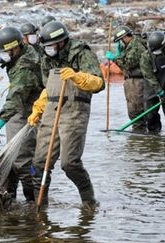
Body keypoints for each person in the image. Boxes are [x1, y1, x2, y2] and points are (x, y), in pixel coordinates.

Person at [28, 21, 104, 207]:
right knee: (39, 164)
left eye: (51, 46)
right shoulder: (47, 58)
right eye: (45, 47)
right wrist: (38, 108)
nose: (48, 50)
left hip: (75, 110)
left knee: (69, 164)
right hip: (51, 111)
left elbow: (99, 83)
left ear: (61, 42)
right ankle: (41, 208)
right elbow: (48, 88)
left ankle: (89, 203)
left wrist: (78, 77)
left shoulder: (81, 53)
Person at [0, 27, 44, 201]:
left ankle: (33, 201)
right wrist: (3, 60)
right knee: (11, 158)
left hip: (29, 112)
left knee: (22, 159)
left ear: (16, 47)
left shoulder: (25, 67)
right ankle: (10, 197)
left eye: (6, 52)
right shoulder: (21, 53)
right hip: (21, 110)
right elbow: (13, 61)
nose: (4, 55)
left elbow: (14, 100)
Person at [106, 25, 148, 131]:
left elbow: (127, 64)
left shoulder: (136, 46)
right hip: (130, 80)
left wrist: (115, 58)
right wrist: (120, 54)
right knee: (132, 108)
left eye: (120, 41)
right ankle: (137, 131)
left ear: (124, 37)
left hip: (137, 81)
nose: (120, 43)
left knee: (137, 109)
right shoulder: (129, 46)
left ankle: (140, 132)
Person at [140, 31, 165, 134]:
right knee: (150, 115)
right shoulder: (146, 56)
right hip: (152, 88)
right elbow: (149, 76)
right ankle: (154, 137)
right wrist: (159, 91)